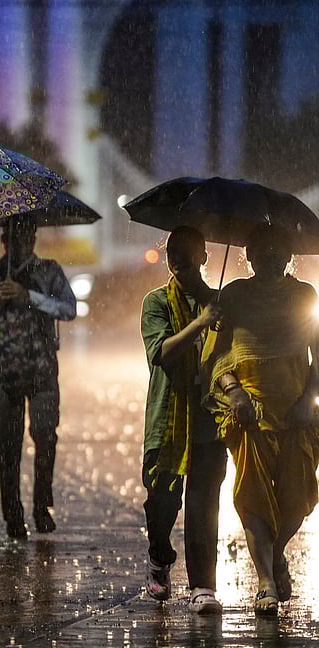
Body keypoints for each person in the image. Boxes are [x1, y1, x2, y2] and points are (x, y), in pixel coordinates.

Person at [202, 227, 319, 616]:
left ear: (289, 257)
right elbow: (217, 356)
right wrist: (234, 393)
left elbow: (317, 358)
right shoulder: (233, 295)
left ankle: (276, 551)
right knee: (252, 495)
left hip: (297, 414)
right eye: (262, 251)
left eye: (277, 251)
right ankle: (266, 580)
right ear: (249, 256)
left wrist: (307, 399)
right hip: (248, 413)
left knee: (298, 497)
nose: (270, 256)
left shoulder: (304, 296)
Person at [139, 226, 227, 614]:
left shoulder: (219, 305)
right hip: (167, 418)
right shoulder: (156, 302)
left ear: (204, 257)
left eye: (188, 251)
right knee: (162, 501)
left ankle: (202, 586)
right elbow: (162, 353)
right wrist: (199, 325)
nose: (178, 257)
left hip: (208, 418)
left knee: (204, 503)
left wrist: (214, 320)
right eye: (173, 250)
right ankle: (159, 557)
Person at [0, 217, 77, 538]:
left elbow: (69, 309)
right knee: (8, 448)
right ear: (4, 240)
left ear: (34, 237)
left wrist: (29, 297)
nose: (22, 243)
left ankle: (41, 507)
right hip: (4, 373)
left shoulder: (49, 271)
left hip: (43, 372)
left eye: (27, 236)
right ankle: (13, 515)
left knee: (46, 438)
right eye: (15, 237)